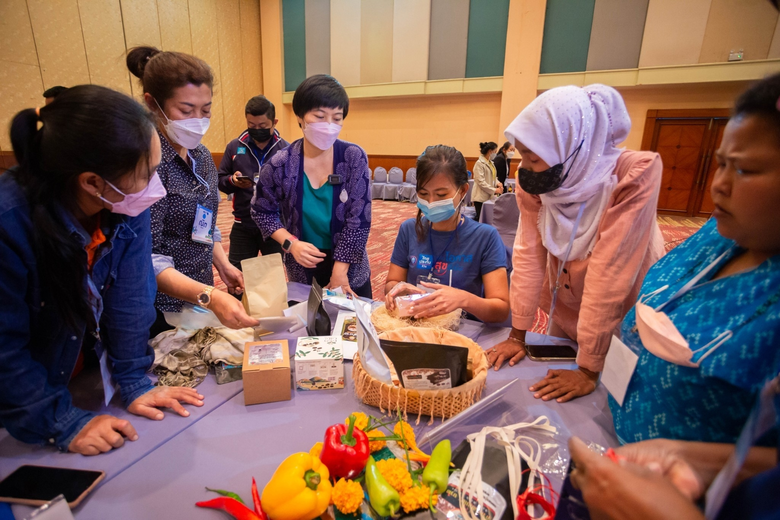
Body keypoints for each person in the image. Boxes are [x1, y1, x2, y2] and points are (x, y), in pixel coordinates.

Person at [0, 86, 203, 455]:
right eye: (148, 173)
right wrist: (60, 421)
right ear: (93, 182)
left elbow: (131, 298)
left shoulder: (124, 203)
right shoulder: (9, 224)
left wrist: (133, 380)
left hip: (76, 377)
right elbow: (4, 350)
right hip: (22, 403)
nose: (154, 187)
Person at [608, 73, 780, 445]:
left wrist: (691, 465)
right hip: (614, 427)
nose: (719, 184)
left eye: (745, 170)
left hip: (684, 492)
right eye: (720, 164)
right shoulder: (717, 235)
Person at [487, 84, 665, 404]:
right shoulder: (539, 184)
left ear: (572, 150)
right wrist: (518, 335)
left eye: (534, 157)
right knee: (548, 388)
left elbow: (609, 275)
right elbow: (528, 255)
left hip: (621, 311)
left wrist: (587, 369)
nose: (523, 169)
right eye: (521, 155)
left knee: (610, 401)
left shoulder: (632, 174)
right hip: (567, 300)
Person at [126, 46, 257, 336]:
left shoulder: (201, 156)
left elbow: (207, 224)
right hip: (159, 305)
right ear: (152, 103)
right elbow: (145, 256)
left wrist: (223, 265)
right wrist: (209, 295)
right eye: (186, 110)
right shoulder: (147, 165)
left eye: (206, 110)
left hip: (198, 294)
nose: (198, 119)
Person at [252, 74, 373, 297]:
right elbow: (262, 211)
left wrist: (340, 272)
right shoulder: (280, 164)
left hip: (349, 269)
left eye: (337, 118)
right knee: (309, 329)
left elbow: (359, 219)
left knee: (353, 328)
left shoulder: (353, 157)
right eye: (319, 116)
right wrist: (291, 244)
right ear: (300, 117)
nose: (329, 125)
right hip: (303, 267)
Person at [383, 145, 510, 323]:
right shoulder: (409, 230)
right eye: (423, 194)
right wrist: (397, 290)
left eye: (441, 195)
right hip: (417, 328)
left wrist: (463, 299)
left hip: (464, 332)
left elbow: (501, 309)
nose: (431, 202)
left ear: (463, 191)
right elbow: (393, 282)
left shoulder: (485, 237)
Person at [218, 95, 288, 269]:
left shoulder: (286, 150)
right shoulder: (234, 147)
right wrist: (232, 181)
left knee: (273, 281)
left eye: (262, 126)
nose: (257, 129)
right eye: (252, 125)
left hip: (274, 226)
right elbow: (219, 180)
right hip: (243, 224)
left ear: (274, 122)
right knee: (237, 279)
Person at [472, 141, 502, 221]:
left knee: (488, 220)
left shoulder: (490, 163)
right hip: (480, 197)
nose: (495, 154)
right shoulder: (479, 164)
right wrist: (495, 190)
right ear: (490, 151)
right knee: (481, 220)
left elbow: (493, 177)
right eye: (495, 152)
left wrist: (498, 183)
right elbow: (481, 182)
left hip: (488, 196)